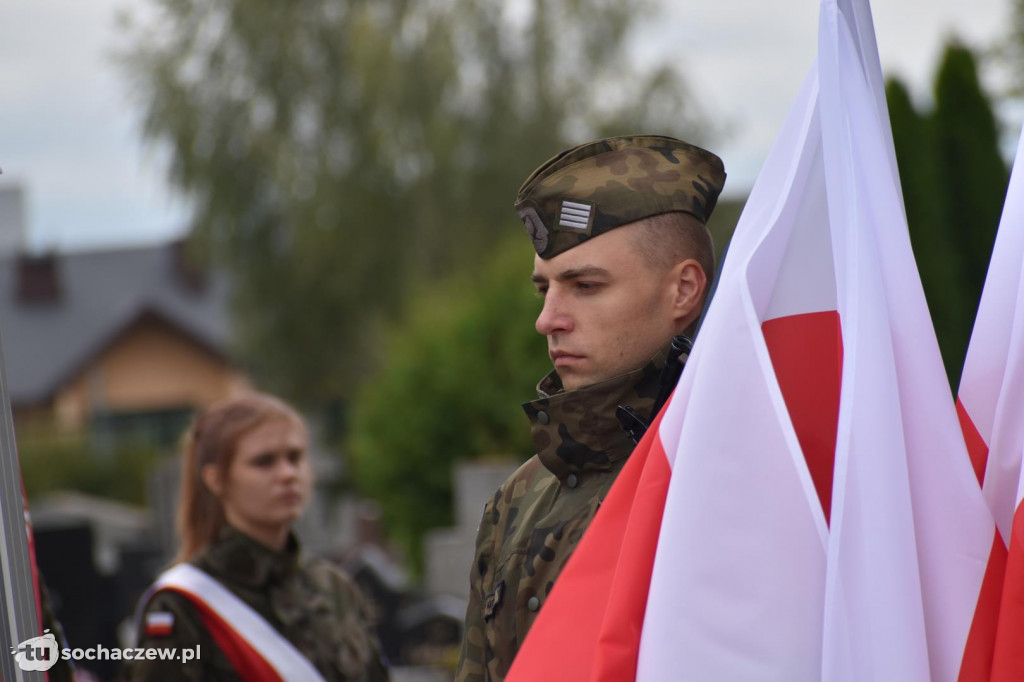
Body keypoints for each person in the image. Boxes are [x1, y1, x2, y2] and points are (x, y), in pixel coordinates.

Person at [455, 135, 726, 682]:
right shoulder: (518, 501)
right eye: (544, 290)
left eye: (585, 285)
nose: (548, 319)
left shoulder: (734, 476)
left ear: (684, 291)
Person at [128, 392, 389, 682]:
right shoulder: (182, 604)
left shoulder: (334, 587)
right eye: (264, 462)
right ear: (216, 479)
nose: (288, 474)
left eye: (295, 457)